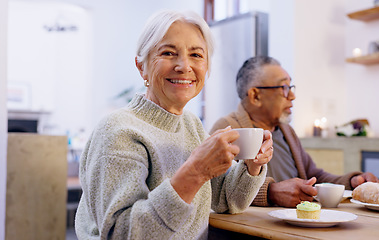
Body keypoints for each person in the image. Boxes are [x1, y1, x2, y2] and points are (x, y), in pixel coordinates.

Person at [74, 10, 273, 239]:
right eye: (169, 53)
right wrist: (195, 172)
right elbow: (121, 233)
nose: (184, 66)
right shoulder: (118, 131)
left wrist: (251, 166)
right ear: (142, 67)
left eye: (196, 55)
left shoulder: (191, 124)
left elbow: (225, 201)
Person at [209, 56, 379, 208]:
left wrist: (351, 182)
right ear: (255, 96)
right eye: (284, 87)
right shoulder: (227, 128)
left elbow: (314, 176)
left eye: (291, 87)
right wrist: (271, 191)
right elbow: (218, 190)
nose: (292, 95)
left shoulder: (286, 131)